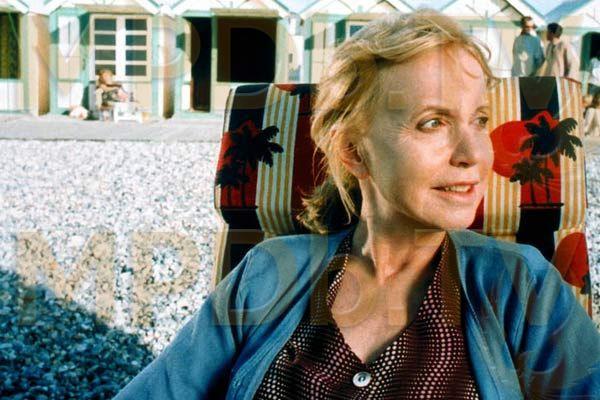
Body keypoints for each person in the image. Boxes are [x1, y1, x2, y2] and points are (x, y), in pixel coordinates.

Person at [114, 10, 600, 399]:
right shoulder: (267, 273)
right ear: (353, 151)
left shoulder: (521, 285)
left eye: (479, 120)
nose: (474, 154)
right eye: (432, 122)